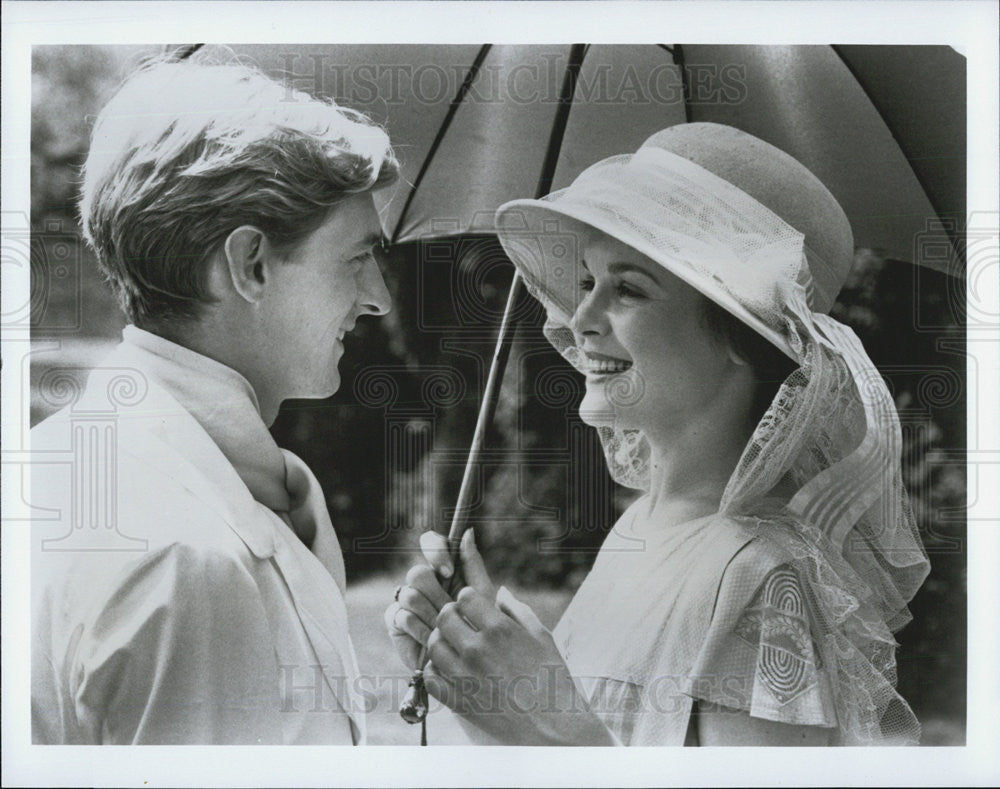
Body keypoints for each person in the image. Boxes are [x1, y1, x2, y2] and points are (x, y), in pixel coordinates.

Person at [385, 123, 930, 746]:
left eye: (628, 289)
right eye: (587, 282)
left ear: (741, 339)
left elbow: (574, 748)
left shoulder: (763, 578)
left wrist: (545, 727)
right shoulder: (639, 527)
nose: (581, 319)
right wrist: (474, 675)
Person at [31, 56, 397, 744]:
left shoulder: (65, 458)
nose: (377, 296)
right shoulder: (189, 559)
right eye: (356, 257)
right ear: (250, 262)